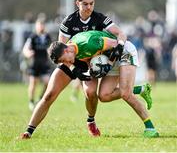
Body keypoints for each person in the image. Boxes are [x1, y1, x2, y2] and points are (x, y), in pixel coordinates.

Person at [20, 0, 153, 139]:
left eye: (91, 4)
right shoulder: (68, 22)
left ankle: (91, 120)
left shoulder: (100, 18)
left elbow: (120, 34)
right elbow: (60, 52)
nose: (89, 7)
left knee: (90, 92)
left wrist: (119, 47)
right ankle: (28, 131)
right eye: (85, 4)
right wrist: (75, 69)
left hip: (92, 62)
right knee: (49, 95)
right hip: (69, 61)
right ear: (78, 3)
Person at [20, 30, 157, 139]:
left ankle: (150, 128)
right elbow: (84, 60)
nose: (67, 64)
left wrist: (108, 64)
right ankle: (141, 89)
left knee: (126, 94)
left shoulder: (88, 43)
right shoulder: (71, 51)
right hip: (109, 58)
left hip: (124, 51)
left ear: (67, 50)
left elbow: (117, 45)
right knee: (103, 96)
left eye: (64, 60)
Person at [22, 18, 52, 111]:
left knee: (47, 82)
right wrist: (28, 53)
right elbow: (25, 49)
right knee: (33, 83)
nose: (41, 27)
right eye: (39, 25)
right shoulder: (33, 37)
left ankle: (40, 99)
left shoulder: (47, 37)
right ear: (36, 26)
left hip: (44, 64)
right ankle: (31, 101)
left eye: (42, 25)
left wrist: (51, 53)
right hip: (34, 64)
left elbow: (51, 48)